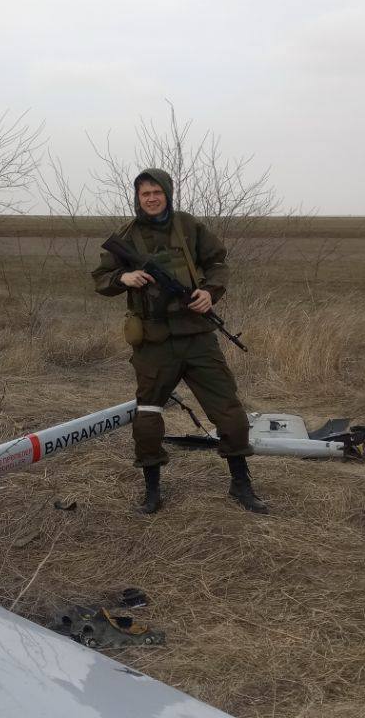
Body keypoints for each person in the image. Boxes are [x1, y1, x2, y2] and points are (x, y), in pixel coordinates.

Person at [91, 168, 267, 514]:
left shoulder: (188, 227)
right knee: (147, 417)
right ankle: (152, 490)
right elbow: (101, 278)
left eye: (157, 192)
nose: (151, 199)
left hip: (198, 337)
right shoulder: (126, 235)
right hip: (153, 342)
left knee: (230, 413)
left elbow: (218, 263)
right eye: (145, 194)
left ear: (167, 194)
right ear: (137, 198)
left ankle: (241, 484)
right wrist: (124, 277)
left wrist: (210, 292)